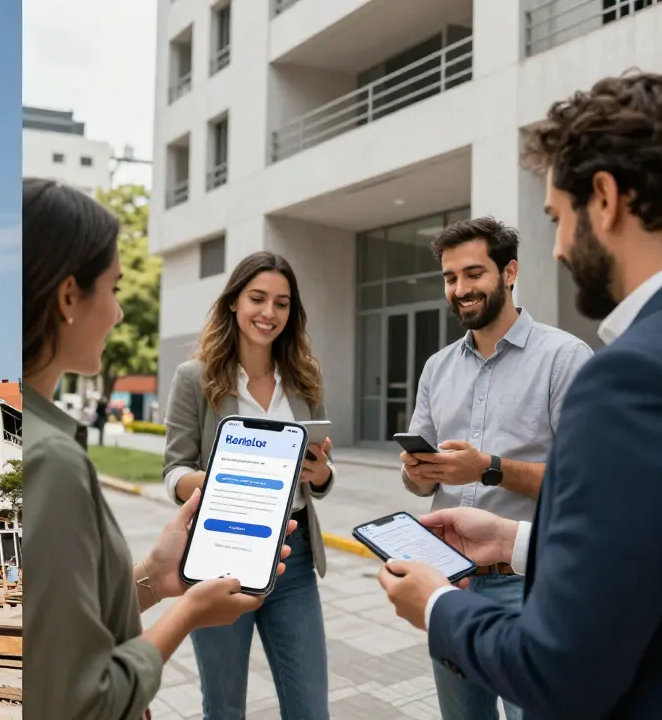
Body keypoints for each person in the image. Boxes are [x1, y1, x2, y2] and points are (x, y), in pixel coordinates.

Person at [378, 70, 662, 719]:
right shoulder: (436, 367)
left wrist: (436, 603)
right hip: (467, 559)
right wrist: (507, 537)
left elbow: (564, 670)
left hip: (527, 603)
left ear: (607, 198)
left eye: (558, 218)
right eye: (448, 277)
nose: (560, 246)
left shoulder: (605, 372)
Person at [22, 177, 296, 720]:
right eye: (116, 287)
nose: (120, 313)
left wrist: (151, 576)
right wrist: (189, 611)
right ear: (69, 296)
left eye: (282, 303)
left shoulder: (35, 434)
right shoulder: (51, 458)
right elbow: (81, 700)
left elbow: (66, 621)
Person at [397, 215, 592, 720]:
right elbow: (418, 484)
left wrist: (489, 468)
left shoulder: (564, 358)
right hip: (450, 581)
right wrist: (417, 473)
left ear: (509, 273)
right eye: (449, 277)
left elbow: (585, 486)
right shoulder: (436, 368)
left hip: (528, 583)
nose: (460, 289)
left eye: (473, 274)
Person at [162, 251, 338, 719]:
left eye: (282, 303)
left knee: (310, 710)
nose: (269, 313)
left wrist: (320, 474)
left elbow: (321, 471)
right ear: (234, 303)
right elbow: (174, 471)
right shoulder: (194, 378)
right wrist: (229, 477)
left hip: (292, 558)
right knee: (223, 708)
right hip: (220, 552)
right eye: (258, 298)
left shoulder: (305, 378)